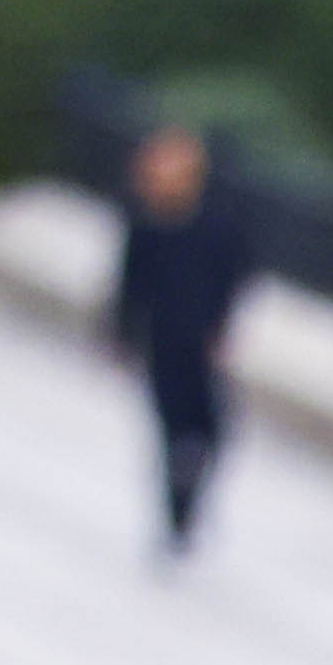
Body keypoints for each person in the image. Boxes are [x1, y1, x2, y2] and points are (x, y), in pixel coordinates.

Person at [108, 119, 258, 556]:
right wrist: (121, 334)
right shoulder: (149, 225)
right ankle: (178, 513)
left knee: (208, 429)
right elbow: (130, 284)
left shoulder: (215, 224)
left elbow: (237, 274)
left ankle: (186, 506)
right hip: (165, 344)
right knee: (176, 433)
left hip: (199, 345)